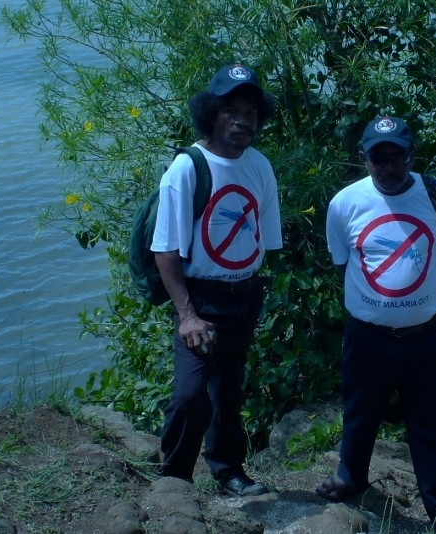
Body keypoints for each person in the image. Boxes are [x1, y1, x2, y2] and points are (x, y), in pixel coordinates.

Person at [318, 116, 436, 533]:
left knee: (435, 424)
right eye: (379, 159)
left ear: (412, 156)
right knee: (360, 412)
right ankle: (350, 477)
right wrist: (374, 303)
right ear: (364, 158)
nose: (389, 168)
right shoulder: (345, 203)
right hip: (367, 336)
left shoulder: (434, 193)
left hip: (426, 334)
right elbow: (344, 263)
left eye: (398, 158)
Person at [152, 63, 282, 497]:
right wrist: (187, 315)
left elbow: (263, 238)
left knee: (229, 390)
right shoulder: (187, 168)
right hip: (201, 300)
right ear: (211, 114)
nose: (242, 121)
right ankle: (174, 480)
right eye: (231, 111)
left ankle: (228, 471)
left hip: (243, 295)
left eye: (250, 112)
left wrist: (248, 287)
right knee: (191, 394)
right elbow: (166, 251)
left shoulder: (260, 166)